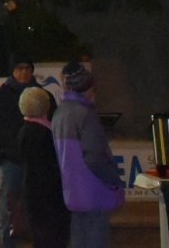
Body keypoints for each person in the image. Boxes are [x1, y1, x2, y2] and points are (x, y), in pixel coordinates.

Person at [52, 60, 122, 248]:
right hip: (94, 191)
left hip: (73, 192)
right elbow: (94, 156)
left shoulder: (59, 114)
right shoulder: (85, 115)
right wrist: (113, 180)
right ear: (88, 87)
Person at [0, 59, 43, 248]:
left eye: (28, 68)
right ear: (13, 70)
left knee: (39, 210)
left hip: (37, 162)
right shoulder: (0, 96)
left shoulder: (43, 96)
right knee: (9, 211)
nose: (24, 73)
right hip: (11, 162)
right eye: (20, 68)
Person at [17, 87, 69, 248]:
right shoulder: (46, 134)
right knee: (53, 237)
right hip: (49, 194)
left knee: (41, 238)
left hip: (32, 192)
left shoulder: (24, 131)